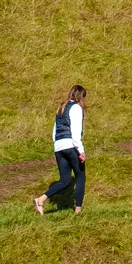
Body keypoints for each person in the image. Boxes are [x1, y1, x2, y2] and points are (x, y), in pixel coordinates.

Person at [34, 85, 87, 216]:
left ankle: (41, 200)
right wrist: (81, 150)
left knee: (64, 180)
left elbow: (54, 132)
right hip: (70, 145)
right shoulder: (76, 108)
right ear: (81, 97)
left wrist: (59, 145)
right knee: (80, 176)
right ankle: (78, 211)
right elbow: (75, 132)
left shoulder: (61, 108)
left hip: (58, 146)